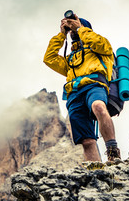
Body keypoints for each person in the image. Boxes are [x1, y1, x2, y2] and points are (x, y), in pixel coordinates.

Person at [43, 13, 121, 162]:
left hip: (95, 85)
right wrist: (62, 35)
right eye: (71, 28)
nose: (73, 30)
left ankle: (112, 152)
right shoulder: (71, 58)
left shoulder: (101, 48)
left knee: (98, 106)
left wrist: (80, 29)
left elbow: (99, 43)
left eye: (75, 25)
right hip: (74, 94)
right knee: (86, 139)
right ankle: (96, 171)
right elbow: (49, 58)